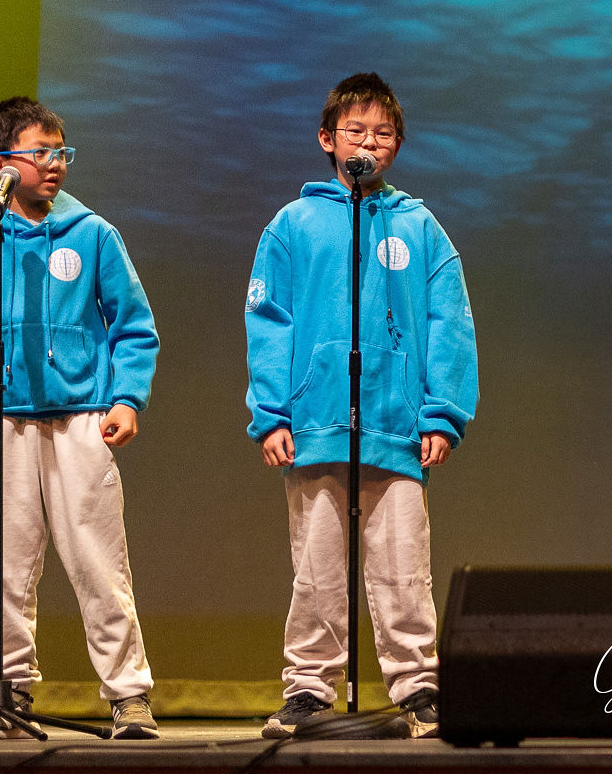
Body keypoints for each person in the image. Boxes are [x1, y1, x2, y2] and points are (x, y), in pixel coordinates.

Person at [0, 96, 161, 739]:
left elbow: (134, 326)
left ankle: (129, 695)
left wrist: (127, 399)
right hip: (2, 423)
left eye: (61, 152)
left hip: (81, 420)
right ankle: (6, 691)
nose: (56, 164)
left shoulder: (93, 234)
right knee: (4, 568)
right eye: (41, 152)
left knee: (99, 564)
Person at [245, 72, 478, 739]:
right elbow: (269, 322)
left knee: (403, 565)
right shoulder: (293, 225)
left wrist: (441, 414)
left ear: (397, 144)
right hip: (315, 422)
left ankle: (419, 686)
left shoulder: (419, 227)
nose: (368, 143)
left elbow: (449, 324)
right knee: (317, 568)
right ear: (327, 139)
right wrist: (272, 414)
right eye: (355, 131)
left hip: (396, 425)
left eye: (382, 133)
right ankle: (309, 688)